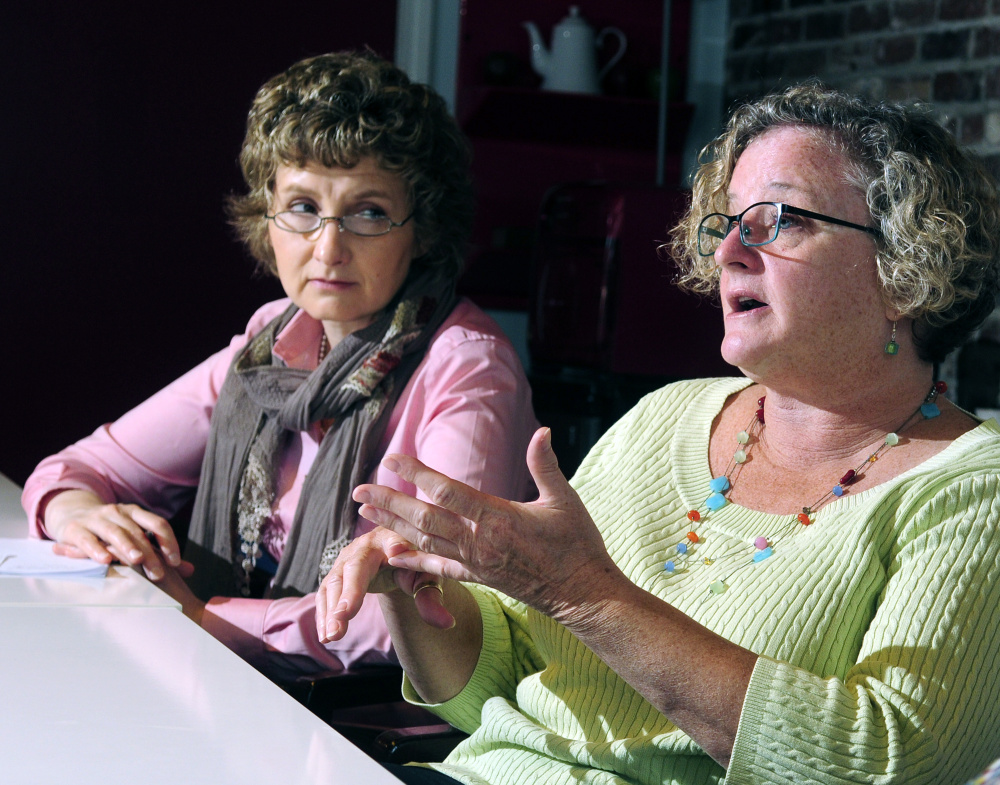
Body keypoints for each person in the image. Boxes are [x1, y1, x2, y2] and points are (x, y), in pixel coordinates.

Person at [316, 82, 1000, 785]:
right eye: (726, 223)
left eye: (777, 220)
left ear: (907, 268)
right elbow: (509, 676)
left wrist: (586, 593)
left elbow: (889, 762)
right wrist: (413, 592)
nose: (729, 249)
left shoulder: (976, 491)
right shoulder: (666, 414)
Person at [21, 51, 537, 681]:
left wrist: (208, 621)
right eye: (301, 206)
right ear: (268, 217)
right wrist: (84, 517)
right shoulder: (274, 339)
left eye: (369, 211)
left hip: (379, 722)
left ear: (423, 228)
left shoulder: (470, 368)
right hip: (230, 682)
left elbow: (442, 606)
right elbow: (79, 469)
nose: (328, 247)